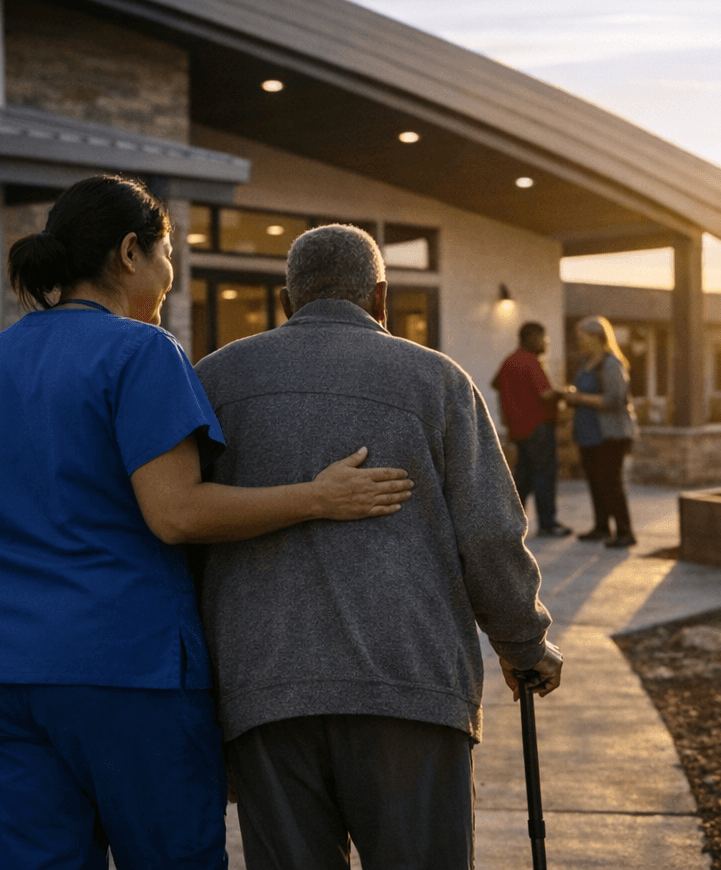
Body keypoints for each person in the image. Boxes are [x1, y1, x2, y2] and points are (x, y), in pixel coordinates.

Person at [0, 176, 413, 870]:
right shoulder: (140, 352)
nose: (169, 279)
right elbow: (176, 513)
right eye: (168, 258)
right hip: (124, 671)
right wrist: (318, 497)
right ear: (130, 253)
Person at [194, 224, 563, 870]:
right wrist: (524, 645)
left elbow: (185, 528)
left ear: (287, 301)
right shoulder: (440, 382)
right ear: (382, 298)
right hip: (409, 686)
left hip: (265, 691)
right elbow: (490, 536)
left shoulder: (214, 382)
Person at [563, 315, 639, 547]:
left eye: (581, 336)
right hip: (588, 434)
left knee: (611, 482)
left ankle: (625, 532)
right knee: (595, 481)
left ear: (596, 337)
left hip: (610, 434)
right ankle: (601, 527)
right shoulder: (586, 364)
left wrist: (580, 397)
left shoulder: (611, 364)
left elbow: (615, 399)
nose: (578, 341)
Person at [492, 321, 571, 537]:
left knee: (522, 478)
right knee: (544, 475)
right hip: (538, 427)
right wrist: (566, 393)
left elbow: (498, 386)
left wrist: (508, 418)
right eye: (543, 338)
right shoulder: (530, 362)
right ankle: (548, 523)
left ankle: (512, 523)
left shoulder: (509, 362)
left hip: (518, 429)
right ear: (532, 337)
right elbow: (545, 394)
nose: (546, 342)